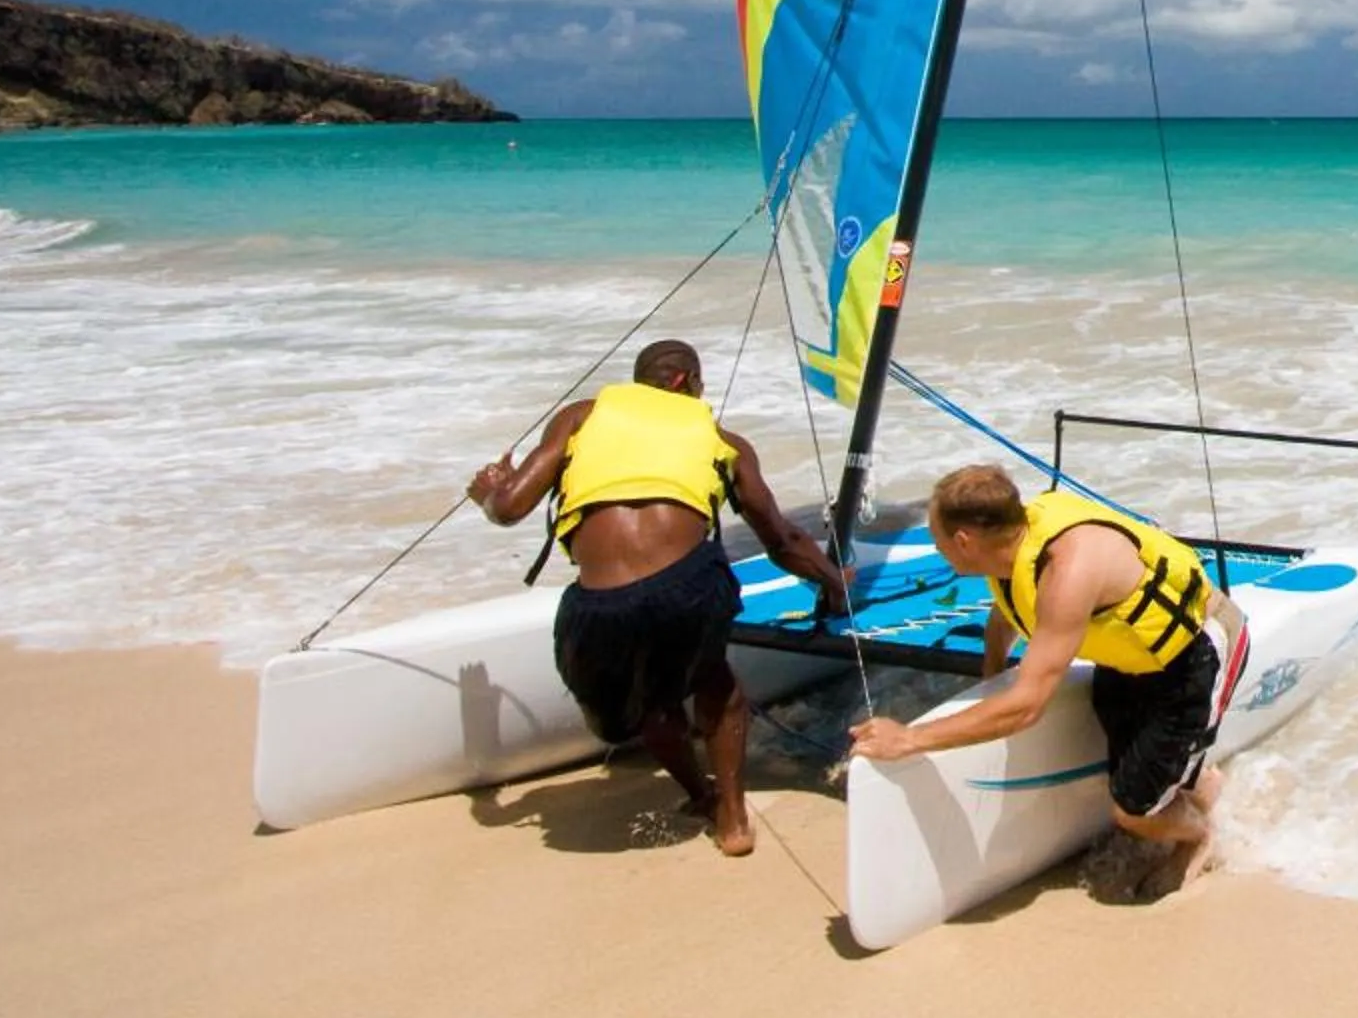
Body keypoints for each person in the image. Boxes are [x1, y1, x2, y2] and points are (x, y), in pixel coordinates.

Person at [467, 338, 850, 856]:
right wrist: (834, 584)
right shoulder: (724, 441)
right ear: (685, 383)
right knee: (718, 686)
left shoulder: (582, 416)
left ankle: (701, 794)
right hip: (686, 588)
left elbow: (509, 507)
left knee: (650, 698)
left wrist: (489, 489)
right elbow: (783, 541)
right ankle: (734, 821)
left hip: (596, 606)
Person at [849, 464, 1250, 899]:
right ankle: (1195, 778)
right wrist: (992, 678)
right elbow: (1006, 611)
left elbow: (1027, 706)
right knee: (1116, 733)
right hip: (1127, 657)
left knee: (1132, 809)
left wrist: (909, 739)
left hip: (1195, 653)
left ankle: (1199, 834)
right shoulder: (1010, 545)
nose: (937, 547)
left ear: (963, 541)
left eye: (937, 537)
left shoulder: (1068, 572)